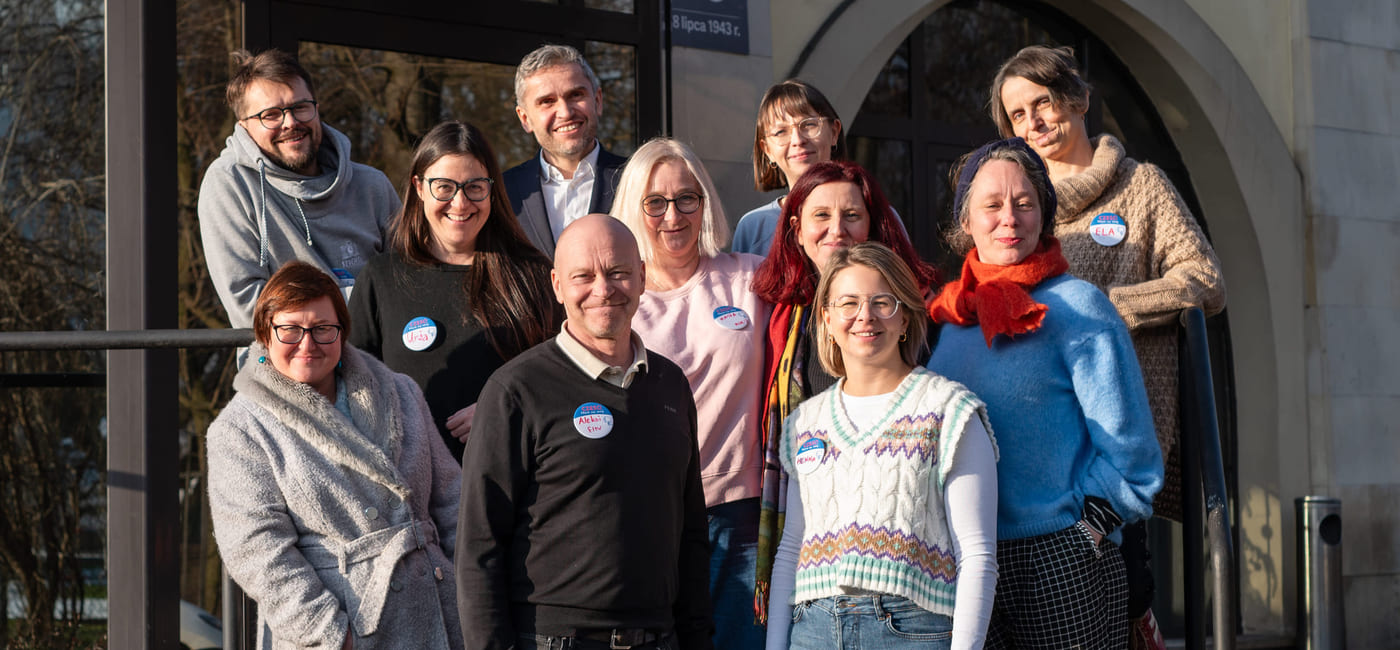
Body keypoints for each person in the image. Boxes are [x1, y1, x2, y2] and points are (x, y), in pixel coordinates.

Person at [990, 45, 1227, 642]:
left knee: (1125, 598)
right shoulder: (1020, 211)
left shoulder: (1140, 186)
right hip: (1041, 441)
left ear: (1079, 99)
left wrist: (1114, 308)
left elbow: (1204, 278)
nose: (1034, 123)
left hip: (1120, 436)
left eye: (1042, 103)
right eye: (1017, 115)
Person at [926, 138, 1163, 650]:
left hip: (1060, 557)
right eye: (991, 205)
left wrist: (1087, 533)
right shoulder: (948, 320)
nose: (1008, 217)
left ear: (1044, 216)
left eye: (1024, 203)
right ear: (966, 221)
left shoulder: (1079, 307)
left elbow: (1134, 454)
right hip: (967, 560)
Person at [456, 214, 713, 650]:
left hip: (660, 637)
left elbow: (690, 532)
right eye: (583, 276)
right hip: (555, 639)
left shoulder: (669, 384)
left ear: (642, 278)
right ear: (557, 285)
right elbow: (480, 547)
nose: (603, 289)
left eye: (617, 273)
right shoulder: (516, 389)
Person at [208, 261, 463, 649]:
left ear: (342, 333)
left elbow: (452, 500)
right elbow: (259, 552)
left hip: (437, 612)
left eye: (322, 329)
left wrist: (468, 591)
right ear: (265, 333)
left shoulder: (401, 392)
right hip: (342, 628)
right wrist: (329, 633)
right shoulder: (241, 429)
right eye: (290, 329)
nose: (307, 344)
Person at [765, 242, 998, 650]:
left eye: (882, 302)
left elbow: (977, 557)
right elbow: (791, 549)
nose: (864, 317)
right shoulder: (805, 422)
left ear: (905, 317)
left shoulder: (949, 410)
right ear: (827, 319)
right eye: (848, 303)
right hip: (812, 630)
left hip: (913, 632)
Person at [750, 160, 939, 624]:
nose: (838, 230)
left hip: (901, 569)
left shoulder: (916, 315)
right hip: (812, 558)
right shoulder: (778, 322)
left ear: (874, 225)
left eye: (852, 216)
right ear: (796, 229)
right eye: (821, 216)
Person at [613, 137, 773, 648]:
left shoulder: (750, 277)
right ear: (635, 209)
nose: (673, 216)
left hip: (741, 512)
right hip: (651, 516)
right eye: (655, 203)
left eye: (688, 198)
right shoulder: (616, 298)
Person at [348, 121, 560, 460]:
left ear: (492, 189)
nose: (460, 203)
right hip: (413, 491)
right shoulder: (381, 278)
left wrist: (507, 409)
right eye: (444, 187)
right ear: (419, 187)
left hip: (511, 488)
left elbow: (564, 378)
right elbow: (353, 389)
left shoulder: (532, 275)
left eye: (475, 187)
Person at [199, 48, 399, 329]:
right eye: (270, 115)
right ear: (244, 127)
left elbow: (408, 288)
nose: (290, 122)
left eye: (300, 107)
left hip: (375, 363)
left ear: (316, 109)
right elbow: (249, 308)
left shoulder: (372, 186)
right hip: (281, 366)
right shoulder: (230, 184)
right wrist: (363, 306)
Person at [504, 44, 628, 258]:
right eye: (547, 102)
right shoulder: (503, 193)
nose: (565, 112)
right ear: (525, 118)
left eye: (575, 95)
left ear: (597, 101)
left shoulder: (636, 179)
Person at [732, 80, 847, 257]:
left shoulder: (872, 213)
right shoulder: (753, 227)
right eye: (780, 132)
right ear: (767, 150)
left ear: (834, 133)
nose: (797, 140)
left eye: (809, 125)